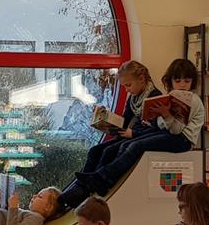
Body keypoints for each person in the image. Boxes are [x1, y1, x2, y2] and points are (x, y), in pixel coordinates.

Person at [63, 58, 205, 202]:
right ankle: (85, 186)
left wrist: (164, 115)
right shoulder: (155, 98)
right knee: (100, 150)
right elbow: (134, 121)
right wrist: (106, 118)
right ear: (171, 81)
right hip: (166, 134)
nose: (182, 85)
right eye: (178, 81)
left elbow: (173, 130)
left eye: (187, 81)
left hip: (182, 139)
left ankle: (99, 181)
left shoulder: (189, 100)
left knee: (131, 146)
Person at [60, 60, 162, 209]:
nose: (127, 90)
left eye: (128, 85)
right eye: (124, 86)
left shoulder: (155, 96)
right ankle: (81, 187)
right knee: (95, 150)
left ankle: (91, 187)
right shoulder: (134, 97)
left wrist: (132, 132)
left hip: (139, 136)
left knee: (108, 151)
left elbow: (156, 128)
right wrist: (107, 119)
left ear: (141, 80)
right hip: (129, 133)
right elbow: (125, 120)